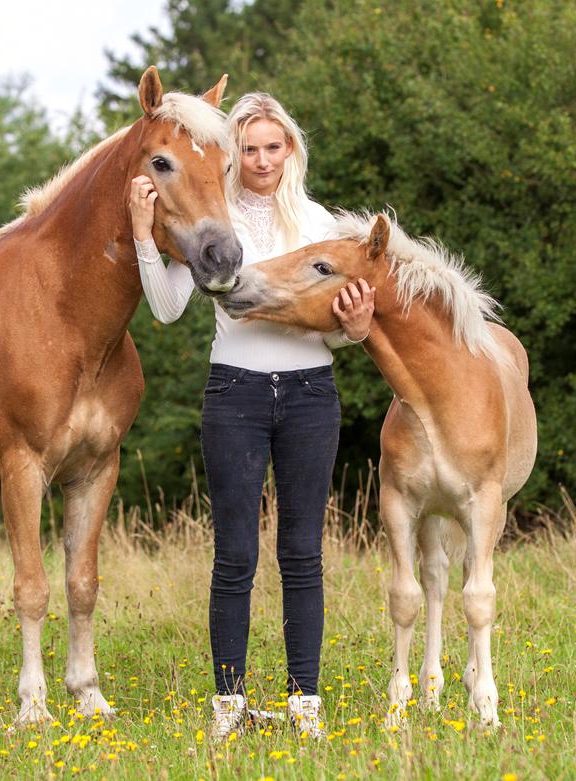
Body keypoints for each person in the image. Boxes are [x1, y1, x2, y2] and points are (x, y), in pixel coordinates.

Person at [129, 92, 375, 741]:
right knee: (233, 556)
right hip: (233, 394)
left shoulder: (319, 221)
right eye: (250, 147)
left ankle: (304, 708)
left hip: (310, 395)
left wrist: (357, 329)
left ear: (289, 148)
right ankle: (229, 708)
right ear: (234, 151)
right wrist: (140, 234)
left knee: (302, 555)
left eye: (273, 146)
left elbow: (342, 329)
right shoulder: (214, 215)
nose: (262, 159)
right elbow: (166, 308)